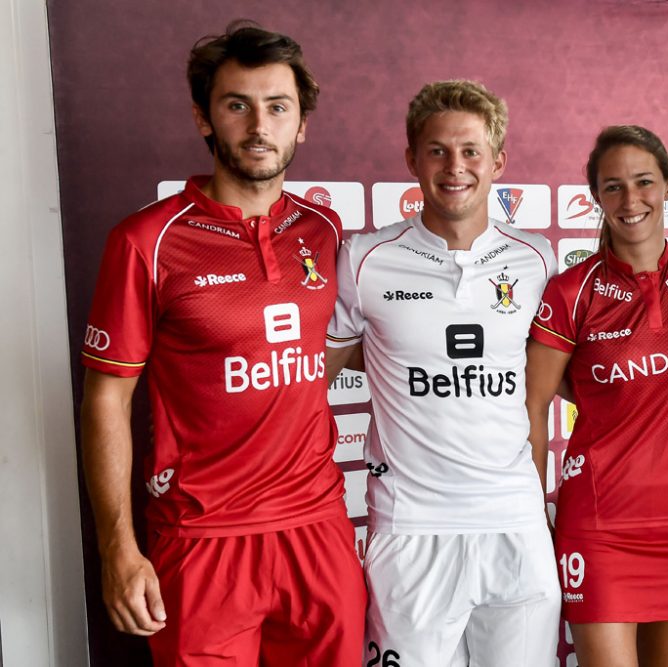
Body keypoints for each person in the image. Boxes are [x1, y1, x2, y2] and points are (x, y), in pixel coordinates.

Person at [79, 22, 365, 665]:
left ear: (302, 125)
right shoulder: (145, 241)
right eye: (237, 105)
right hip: (201, 536)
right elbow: (106, 400)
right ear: (204, 119)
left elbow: (336, 347)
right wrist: (118, 548)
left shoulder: (321, 228)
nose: (258, 125)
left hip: (317, 527)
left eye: (277, 106)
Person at [325, 80, 561, 666]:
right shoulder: (364, 259)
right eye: (437, 151)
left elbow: (551, 378)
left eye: (471, 151)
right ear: (412, 159)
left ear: (497, 161)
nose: (455, 167)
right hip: (413, 528)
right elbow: (314, 376)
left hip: (516, 522)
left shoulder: (538, 260)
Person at [525, 125, 668, 667]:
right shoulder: (572, 289)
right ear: (596, 196)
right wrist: (532, 506)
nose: (630, 200)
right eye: (613, 187)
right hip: (601, 523)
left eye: (644, 182)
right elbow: (533, 404)